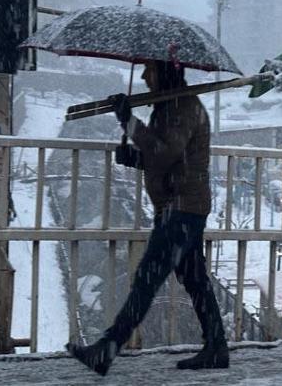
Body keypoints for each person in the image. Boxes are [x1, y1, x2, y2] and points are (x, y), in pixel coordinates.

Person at [66, 60, 229, 375]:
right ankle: (216, 347)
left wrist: (129, 122)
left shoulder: (181, 107)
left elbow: (165, 153)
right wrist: (136, 158)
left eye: (149, 70)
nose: (143, 76)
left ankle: (107, 349)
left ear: (164, 73)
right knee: (195, 281)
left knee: (145, 280)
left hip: (180, 210)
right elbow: (164, 157)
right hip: (183, 207)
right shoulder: (170, 106)